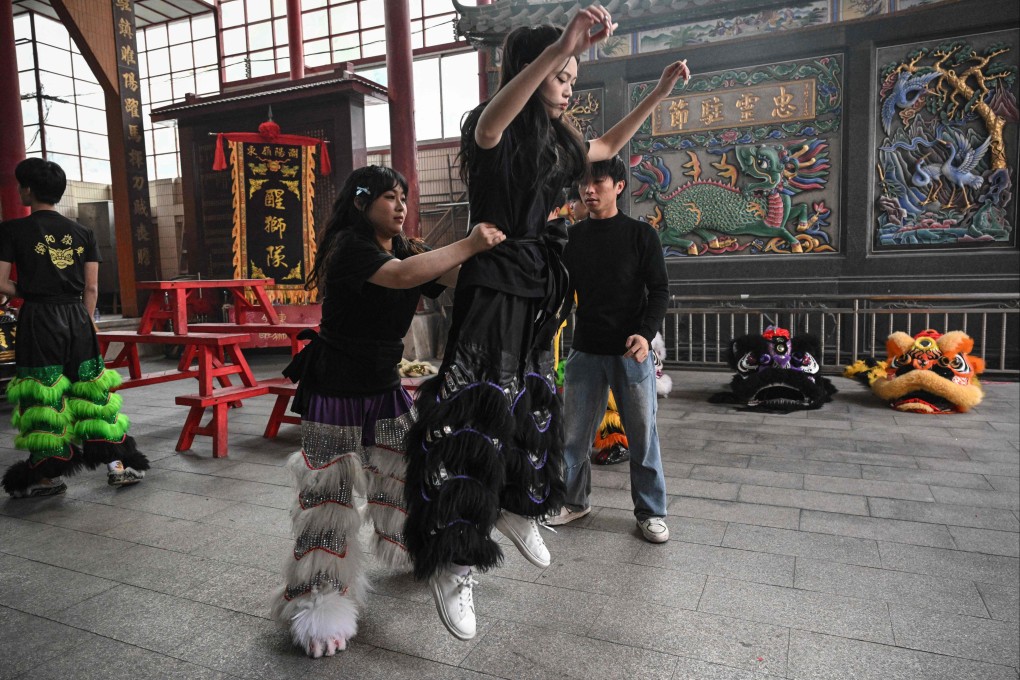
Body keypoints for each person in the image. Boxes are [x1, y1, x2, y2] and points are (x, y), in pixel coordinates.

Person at [404, 7, 690, 641]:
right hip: (494, 285)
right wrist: (560, 45)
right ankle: (454, 564)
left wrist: (658, 94)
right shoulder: (491, 129)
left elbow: (605, 148)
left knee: (530, 406)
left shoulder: (557, 145)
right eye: (562, 75)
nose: (568, 86)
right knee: (476, 416)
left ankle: (516, 507)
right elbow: (492, 121)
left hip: (536, 288)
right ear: (532, 73)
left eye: (571, 76)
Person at [269, 165, 504, 658]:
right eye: (389, 197)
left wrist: (499, 254)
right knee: (328, 495)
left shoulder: (406, 248)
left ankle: (418, 548)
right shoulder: (350, 249)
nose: (400, 206)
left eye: (403, 197)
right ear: (361, 203)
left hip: (383, 385)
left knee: (409, 473)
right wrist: (468, 242)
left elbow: (452, 274)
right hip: (335, 387)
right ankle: (319, 602)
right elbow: (402, 277)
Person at [0, 157, 149, 498]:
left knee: (43, 393)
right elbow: (91, 288)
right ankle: (118, 466)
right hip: (78, 317)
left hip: (39, 318)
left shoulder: (11, 230)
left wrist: (32, 292)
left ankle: (45, 476)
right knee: (92, 392)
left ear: (28, 189)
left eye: (21, 186)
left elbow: (1, 282)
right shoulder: (84, 232)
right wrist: (87, 322)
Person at [550, 155, 671, 543]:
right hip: (585, 352)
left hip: (630, 353)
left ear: (618, 186)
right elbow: (564, 296)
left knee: (642, 437)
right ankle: (574, 501)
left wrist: (645, 335)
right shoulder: (573, 239)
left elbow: (660, 291)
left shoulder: (641, 235)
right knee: (574, 437)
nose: (588, 190)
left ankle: (650, 512)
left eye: (598, 182)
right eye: (583, 183)